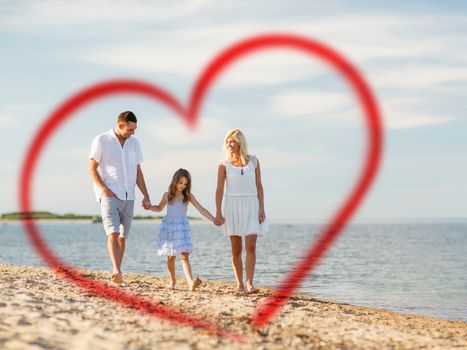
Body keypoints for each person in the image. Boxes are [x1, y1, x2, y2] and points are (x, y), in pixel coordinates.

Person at [89, 111, 151, 286]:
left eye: (135, 129)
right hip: (110, 195)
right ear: (121, 125)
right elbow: (92, 168)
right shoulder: (101, 140)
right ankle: (116, 270)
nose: (133, 133)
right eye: (131, 129)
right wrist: (104, 190)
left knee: (123, 236)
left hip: (129, 195)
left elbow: (138, 172)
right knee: (113, 232)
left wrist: (146, 195)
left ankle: (118, 270)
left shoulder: (135, 143)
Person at [214, 129, 267, 294]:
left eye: (232, 141)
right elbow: (219, 190)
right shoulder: (224, 164)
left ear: (240, 142)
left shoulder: (254, 161)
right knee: (236, 248)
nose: (229, 144)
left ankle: (250, 283)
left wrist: (262, 207)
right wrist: (218, 212)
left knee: (251, 246)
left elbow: (259, 185)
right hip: (232, 206)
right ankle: (239, 284)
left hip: (251, 204)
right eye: (227, 141)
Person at [148, 168, 215, 291]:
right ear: (175, 181)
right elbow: (158, 208)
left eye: (185, 184)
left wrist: (213, 219)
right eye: (181, 183)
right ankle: (172, 281)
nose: (183, 186)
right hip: (169, 227)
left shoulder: (187, 196)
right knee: (171, 257)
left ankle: (190, 283)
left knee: (184, 255)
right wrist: (149, 207)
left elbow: (201, 209)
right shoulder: (167, 195)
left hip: (181, 228)